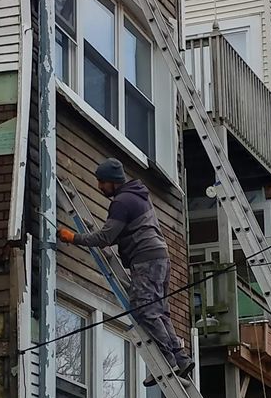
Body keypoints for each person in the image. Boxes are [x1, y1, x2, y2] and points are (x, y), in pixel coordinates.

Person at [57, 158, 194, 380]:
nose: (100, 187)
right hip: (160, 258)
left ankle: (167, 360)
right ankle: (181, 357)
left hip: (145, 259)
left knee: (145, 308)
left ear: (113, 182)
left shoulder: (122, 201)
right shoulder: (138, 196)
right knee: (159, 310)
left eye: (102, 182)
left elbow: (105, 237)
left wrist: (74, 238)